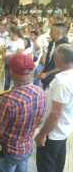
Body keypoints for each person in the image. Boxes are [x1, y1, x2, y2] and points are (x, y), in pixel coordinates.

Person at [0, 53, 46, 172]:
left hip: (7, 152)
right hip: (26, 148)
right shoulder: (40, 92)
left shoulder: (8, 100)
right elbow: (40, 120)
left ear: (11, 72)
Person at [35, 44, 73, 172]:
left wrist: (42, 134)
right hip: (64, 128)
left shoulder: (62, 82)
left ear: (58, 60)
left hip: (53, 132)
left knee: (46, 165)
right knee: (57, 163)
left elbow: (55, 113)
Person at [38, 23, 68, 89]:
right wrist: (43, 70)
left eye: (51, 32)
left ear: (58, 33)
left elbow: (62, 66)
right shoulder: (52, 43)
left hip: (56, 78)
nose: (49, 34)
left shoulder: (65, 47)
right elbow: (48, 60)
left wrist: (47, 74)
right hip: (46, 75)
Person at [3, 26, 25, 90]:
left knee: (15, 80)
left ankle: (15, 92)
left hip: (15, 64)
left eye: (10, 32)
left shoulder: (20, 41)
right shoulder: (7, 39)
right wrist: (4, 55)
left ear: (15, 33)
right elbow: (5, 49)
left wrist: (9, 56)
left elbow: (19, 54)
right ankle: (5, 91)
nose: (9, 34)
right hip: (7, 63)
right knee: (7, 78)